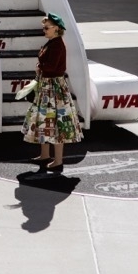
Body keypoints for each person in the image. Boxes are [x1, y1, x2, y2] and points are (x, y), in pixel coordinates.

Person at [21, 12, 82, 172]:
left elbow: (52, 67)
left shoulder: (57, 44)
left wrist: (40, 67)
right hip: (49, 86)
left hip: (53, 87)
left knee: (56, 123)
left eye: (46, 27)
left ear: (56, 28)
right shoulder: (52, 42)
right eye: (44, 27)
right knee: (45, 120)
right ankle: (45, 155)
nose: (44, 30)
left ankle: (58, 160)